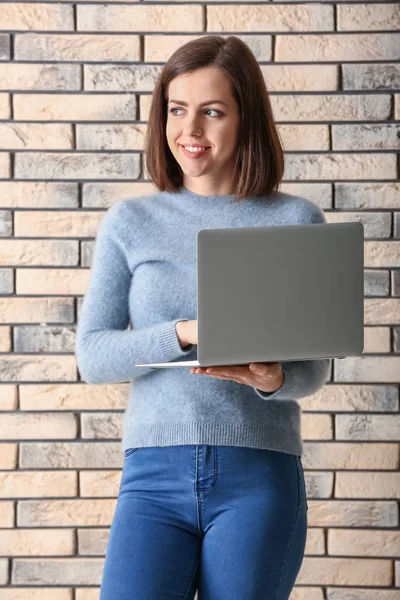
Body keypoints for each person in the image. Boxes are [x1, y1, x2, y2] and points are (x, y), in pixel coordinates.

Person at [75, 35, 331, 600]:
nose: (190, 131)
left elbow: (315, 367)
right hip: (152, 476)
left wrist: (274, 379)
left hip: (258, 476)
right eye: (177, 110)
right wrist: (187, 332)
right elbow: (93, 355)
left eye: (212, 112)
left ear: (246, 119)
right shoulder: (131, 222)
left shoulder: (295, 219)